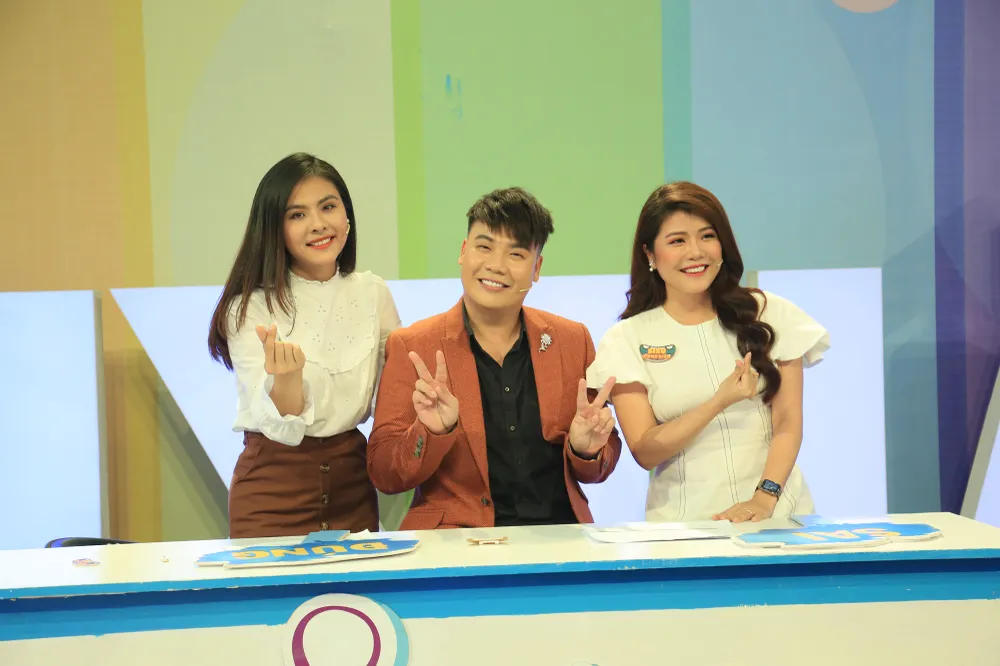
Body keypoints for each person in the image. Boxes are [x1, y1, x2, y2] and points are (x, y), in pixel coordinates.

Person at [367, 187, 622, 530]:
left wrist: (586, 451)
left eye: (516, 254)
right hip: (457, 539)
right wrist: (429, 431)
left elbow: (604, 451)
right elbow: (384, 472)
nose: (496, 265)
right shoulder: (413, 345)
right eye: (484, 247)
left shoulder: (572, 340)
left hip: (558, 534)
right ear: (463, 251)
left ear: (536, 268)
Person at [587, 182, 829, 523]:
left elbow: (788, 423)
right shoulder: (626, 338)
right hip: (685, 528)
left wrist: (764, 499)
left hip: (778, 518)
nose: (696, 252)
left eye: (707, 236)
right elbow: (645, 450)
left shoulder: (769, 313)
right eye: (677, 241)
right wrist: (719, 401)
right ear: (650, 254)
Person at [208, 152, 401, 538]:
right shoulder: (249, 307)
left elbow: (394, 398)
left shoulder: (373, 293)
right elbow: (282, 427)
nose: (318, 224)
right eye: (297, 215)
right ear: (274, 228)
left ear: (347, 216)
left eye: (328, 207)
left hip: (353, 486)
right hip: (273, 492)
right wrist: (287, 379)